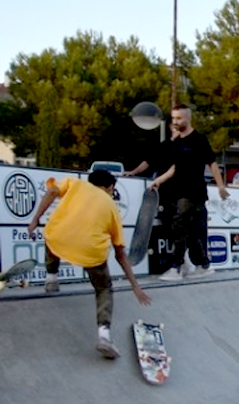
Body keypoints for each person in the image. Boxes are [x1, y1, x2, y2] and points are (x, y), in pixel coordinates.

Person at [26, 171, 152, 359]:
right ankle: (104, 335)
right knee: (103, 289)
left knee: (52, 235)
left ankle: (51, 278)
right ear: (109, 187)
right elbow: (120, 254)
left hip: (60, 239)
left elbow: (51, 192)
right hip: (90, 251)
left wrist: (35, 219)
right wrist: (135, 286)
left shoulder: (74, 184)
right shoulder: (111, 207)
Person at [151, 105, 228, 281]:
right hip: (179, 190)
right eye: (174, 118)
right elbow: (175, 168)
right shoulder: (177, 142)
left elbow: (212, 164)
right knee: (192, 230)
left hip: (194, 191)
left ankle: (176, 267)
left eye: (179, 118)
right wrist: (159, 180)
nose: (176, 121)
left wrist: (221, 186)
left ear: (188, 118)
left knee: (179, 226)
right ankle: (203, 264)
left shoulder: (199, 140)